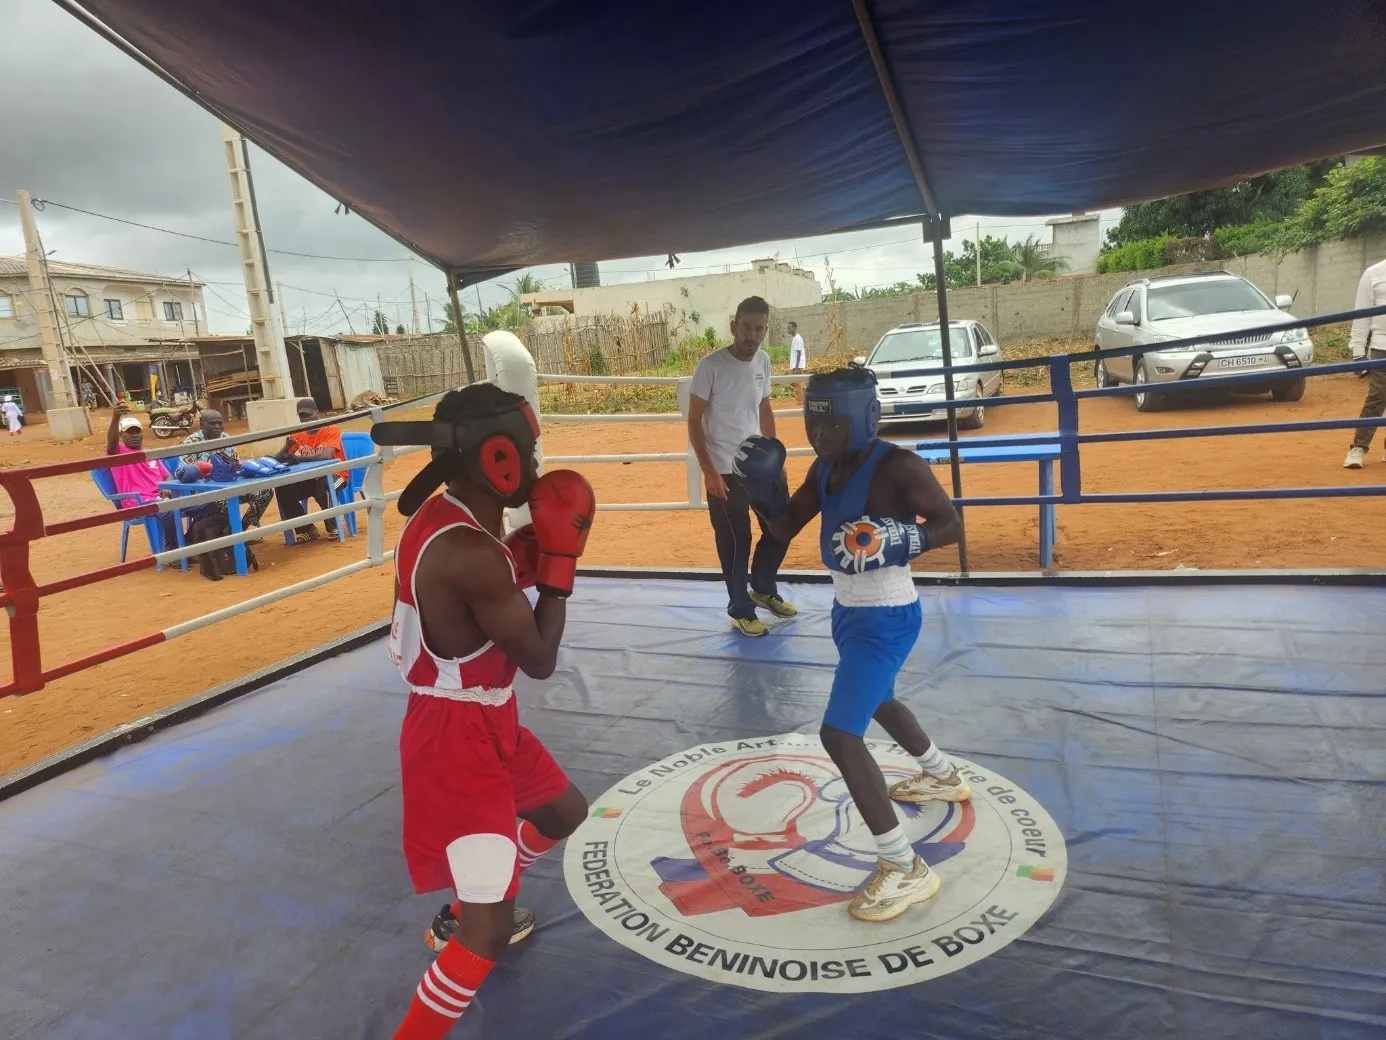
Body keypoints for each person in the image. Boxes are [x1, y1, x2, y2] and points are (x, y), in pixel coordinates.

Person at [372, 383, 596, 1038]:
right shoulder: (470, 555)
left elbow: (498, 571)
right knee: (487, 936)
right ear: (498, 458)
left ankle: (469, 898)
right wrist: (559, 563)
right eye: (528, 450)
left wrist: (534, 548)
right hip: (455, 739)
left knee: (564, 812)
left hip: (485, 716)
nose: (535, 463)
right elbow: (541, 658)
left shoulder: (449, 520)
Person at [732, 366, 971, 923]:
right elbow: (783, 528)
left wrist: (900, 539)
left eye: (830, 426)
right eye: (814, 426)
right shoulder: (823, 468)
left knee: (840, 735)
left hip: (887, 614)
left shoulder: (899, 466)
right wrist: (761, 492)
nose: (820, 438)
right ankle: (942, 775)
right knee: (880, 698)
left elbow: (951, 525)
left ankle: (905, 867)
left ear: (860, 417)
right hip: (849, 612)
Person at [687, 296, 794, 636]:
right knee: (737, 540)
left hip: (759, 466)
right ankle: (740, 607)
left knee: (781, 525)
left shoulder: (763, 361)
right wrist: (709, 471)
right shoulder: (711, 366)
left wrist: (776, 459)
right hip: (723, 468)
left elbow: (764, 409)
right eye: (747, 327)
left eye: (759, 328)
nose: (752, 335)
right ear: (734, 326)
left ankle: (762, 587)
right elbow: (693, 422)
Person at [179, 407, 272, 528]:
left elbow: (236, 465)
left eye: (220, 423)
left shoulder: (226, 439)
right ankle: (232, 534)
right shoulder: (191, 443)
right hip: (205, 492)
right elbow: (185, 473)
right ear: (202, 424)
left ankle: (241, 528)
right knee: (223, 500)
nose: (217, 426)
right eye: (212, 423)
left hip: (231, 487)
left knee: (265, 492)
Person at [105, 405, 179, 550]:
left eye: (137, 431)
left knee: (203, 505)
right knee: (167, 510)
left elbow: (167, 475)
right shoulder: (118, 454)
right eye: (129, 432)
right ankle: (173, 552)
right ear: (121, 436)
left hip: (161, 497)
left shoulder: (149, 453)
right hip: (138, 501)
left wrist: (168, 487)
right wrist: (115, 418)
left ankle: (188, 543)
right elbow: (111, 443)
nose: (134, 435)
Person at [273, 398, 348, 542]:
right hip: (311, 476)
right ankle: (307, 529)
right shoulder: (299, 434)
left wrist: (298, 458)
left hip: (336, 473)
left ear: (316, 412)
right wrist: (286, 447)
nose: (306, 419)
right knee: (283, 489)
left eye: (309, 414)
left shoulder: (330, 428)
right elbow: (279, 459)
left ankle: (334, 527)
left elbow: (327, 455)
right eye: (302, 416)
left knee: (323, 488)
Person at [1345, 254, 1386, 468]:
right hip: (1382, 347)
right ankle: (1358, 448)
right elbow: (1362, 315)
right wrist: (1358, 352)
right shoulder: (1374, 274)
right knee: (1377, 398)